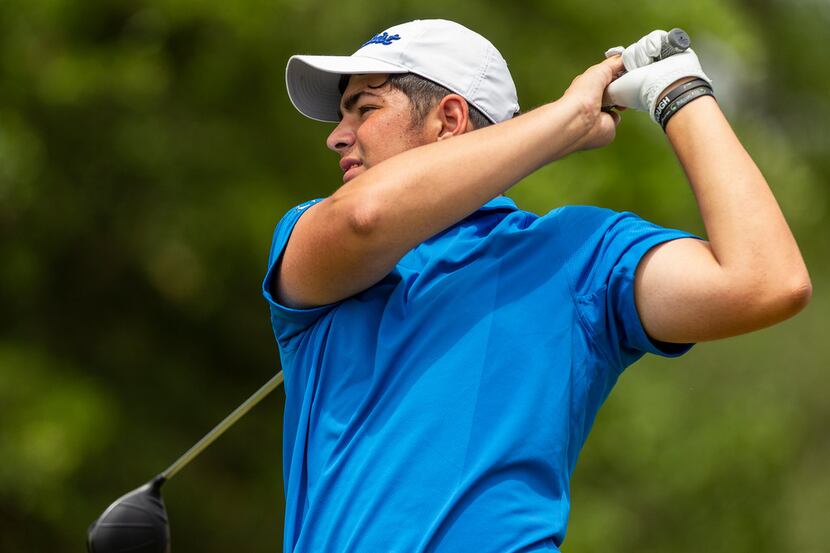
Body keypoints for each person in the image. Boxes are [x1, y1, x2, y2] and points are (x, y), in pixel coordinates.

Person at [262, 19, 811, 553]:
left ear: (449, 119)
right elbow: (367, 217)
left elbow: (766, 280)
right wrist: (566, 121)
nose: (337, 137)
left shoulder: (577, 253)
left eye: (365, 108)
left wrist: (681, 93)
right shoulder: (315, 239)